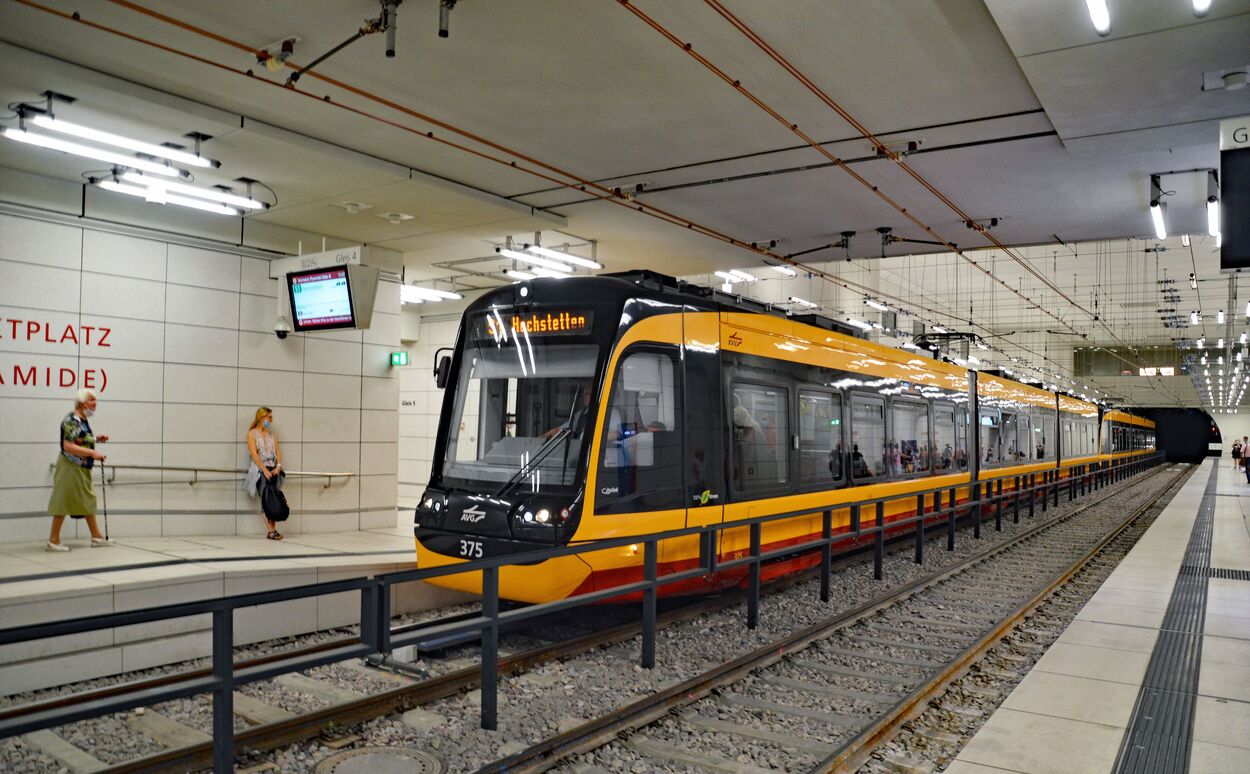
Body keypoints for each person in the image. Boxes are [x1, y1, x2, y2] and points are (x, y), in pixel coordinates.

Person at [46, 389, 113, 551]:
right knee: (63, 499)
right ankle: (53, 540)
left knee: (87, 498)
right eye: (91, 400)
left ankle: (96, 536)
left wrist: (96, 439)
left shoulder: (81, 420)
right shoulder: (71, 420)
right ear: (82, 403)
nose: (94, 404)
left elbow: (79, 438)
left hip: (80, 466)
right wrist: (92, 453)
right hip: (70, 466)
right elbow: (68, 446)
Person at [245, 407, 285, 540]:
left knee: (273, 499)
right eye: (268, 417)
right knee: (265, 499)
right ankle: (271, 530)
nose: (270, 420)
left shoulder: (272, 435)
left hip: (273, 468)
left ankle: (273, 530)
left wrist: (278, 466)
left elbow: (278, 452)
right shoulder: (252, 434)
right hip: (260, 470)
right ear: (261, 417)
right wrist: (264, 469)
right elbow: (254, 453)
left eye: (271, 417)